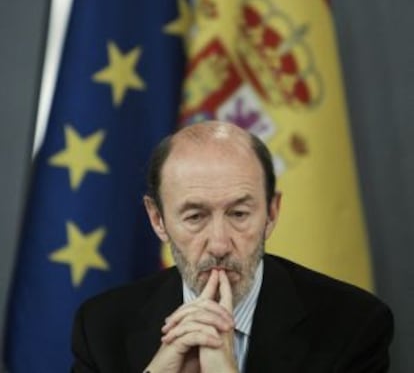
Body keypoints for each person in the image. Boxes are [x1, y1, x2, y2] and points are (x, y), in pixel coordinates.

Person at [71, 121, 393, 372]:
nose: (220, 244)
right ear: (158, 220)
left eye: (239, 214)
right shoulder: (102, 327)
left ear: (271, 212)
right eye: (195, 216)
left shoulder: (353, 326)